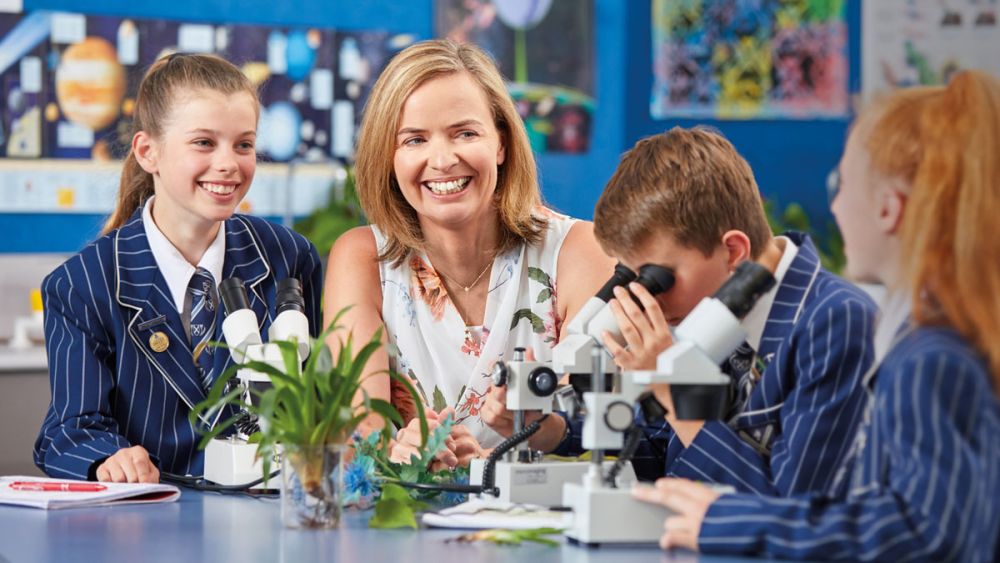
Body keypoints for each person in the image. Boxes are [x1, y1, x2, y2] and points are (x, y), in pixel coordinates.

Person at [633, 71, 1000, 562]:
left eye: (841, 183)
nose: (834, 204)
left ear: (889, 209)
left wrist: (728, 520)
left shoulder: (930, 356)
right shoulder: (946, 338)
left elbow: (927, 534)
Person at [482, 126, 878, 496]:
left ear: (734, 252)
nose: (644, 297)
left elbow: (794, 508)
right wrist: (551, 431)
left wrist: (673, 390)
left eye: (657, 277)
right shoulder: (716, 303)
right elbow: (666, 447)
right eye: (626, 275)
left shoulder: (833, 321)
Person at [34, 54, 323, 483]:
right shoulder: (82, 284)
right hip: (152, 527)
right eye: (204, 143)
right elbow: (69, 431)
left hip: (273, 520)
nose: (229, 163)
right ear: (148, 152)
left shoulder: (289, 257)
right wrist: (110, 459)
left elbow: (323, 399)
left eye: (243, 144)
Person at [323, 39, 614, 467]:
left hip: (547, 526)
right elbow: (355, 435)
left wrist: (514, 445)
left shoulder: (578, 251)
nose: (442, 159)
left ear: (501, 142)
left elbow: (596, 427)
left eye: (465, 133)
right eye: (414, 139)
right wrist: (401, 452)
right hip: (406, 523)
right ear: (389, 157)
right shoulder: (362, 258)